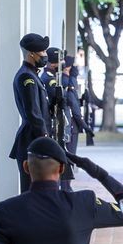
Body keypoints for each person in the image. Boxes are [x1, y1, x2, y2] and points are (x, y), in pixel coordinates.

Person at [10, 33, 50, 193]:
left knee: (40, 189)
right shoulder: (27, 77)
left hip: (35, 139)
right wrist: (44, 138)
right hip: (32, 141)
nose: (45, 55)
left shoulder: (33, 74)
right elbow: (33, 113)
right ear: (31, 54)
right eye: (42, 52)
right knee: (31, 191)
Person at [40, 47, 76, 191]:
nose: (63, 62)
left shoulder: (54, 76)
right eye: (59, 60)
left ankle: (64, 187)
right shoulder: (48, 77)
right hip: (54, 126)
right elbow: (60, 97)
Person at [62, 55, 94, 148]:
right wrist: (86, 127)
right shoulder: (67, 82)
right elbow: (74, 109)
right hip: (71, 125)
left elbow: (74, 102)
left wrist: (81, 100)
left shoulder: (69, 81)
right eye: (73, 65)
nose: (75, 68)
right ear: (68, 67)